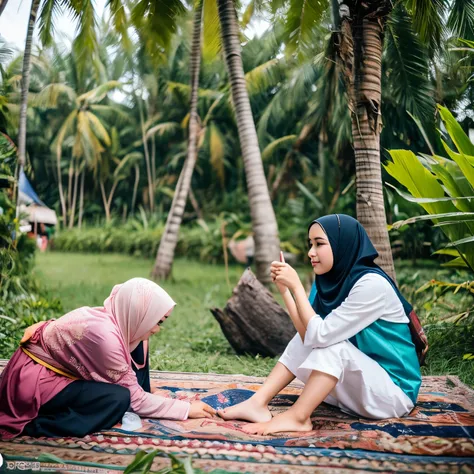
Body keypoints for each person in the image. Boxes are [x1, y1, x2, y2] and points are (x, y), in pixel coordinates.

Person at [219, 214, 423, 435]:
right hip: (359, 387)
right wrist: (285, 291)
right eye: (310, 244)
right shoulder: (328, 280)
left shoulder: (372, 285)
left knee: (333, 345)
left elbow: (322, 336)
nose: (311, 252)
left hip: (392, 394)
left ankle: (299, 417)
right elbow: (307, 336)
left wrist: (297, 287)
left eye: (319, 244)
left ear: (341, 244)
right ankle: (258, 402)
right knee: (308, 338)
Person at [0, 278, 215, 439]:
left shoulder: (116, 315)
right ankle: (37, 425)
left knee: (140, 342)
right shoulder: (105, 338)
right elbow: (135, 400)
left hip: (53, 372)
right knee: (118, 399)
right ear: (139, 312)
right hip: (34, 384)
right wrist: (185, 409)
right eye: (157, 321)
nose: (158, 329)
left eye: (161, 321)